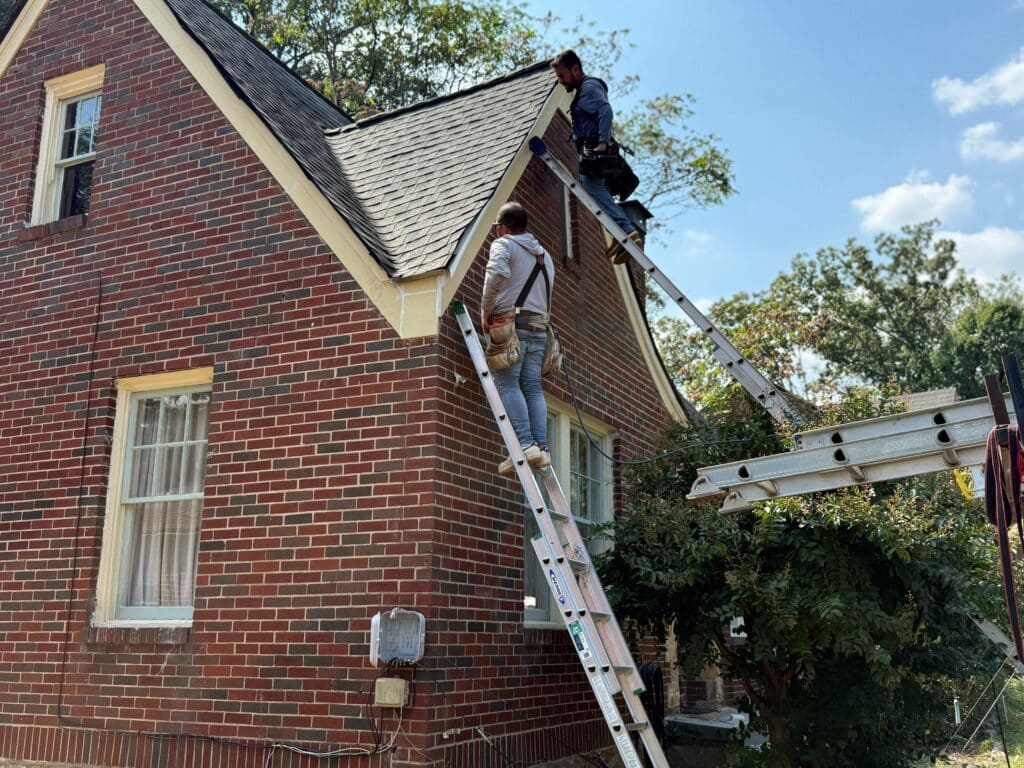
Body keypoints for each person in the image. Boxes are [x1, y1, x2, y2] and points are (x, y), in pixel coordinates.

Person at [480, 202, 554, 474]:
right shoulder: (545, 255)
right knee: (533, 387)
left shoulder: (504, 244)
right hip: (539, 327)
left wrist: (486, 309)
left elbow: (496, 274)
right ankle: (541, 448)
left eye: (497, 229)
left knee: (508, 383)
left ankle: (525, 444)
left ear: (503, 227)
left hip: (513, 324)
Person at [551, 49, 643, 264]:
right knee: (597, 191)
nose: (561, 82)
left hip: (596, 147)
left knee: (591, 186)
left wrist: (601, 143)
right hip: (591, 145)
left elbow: (605, 110)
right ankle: (620, 235)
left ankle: (625, 230)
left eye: (562, 76)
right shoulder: (582, 91)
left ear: (575, 69)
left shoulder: (590, 86)